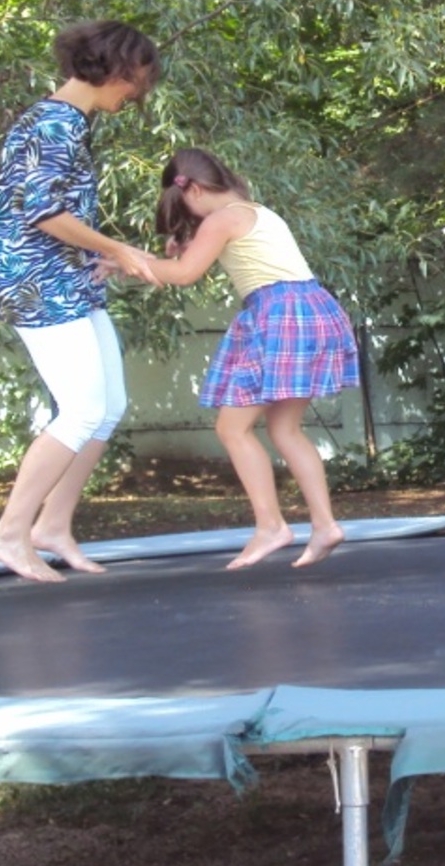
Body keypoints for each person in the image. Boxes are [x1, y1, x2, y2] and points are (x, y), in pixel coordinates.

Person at [0, 20, 164, 583]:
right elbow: (43, 213)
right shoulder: (53, 123)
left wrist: (103, 256)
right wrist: (116, 248)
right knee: (81, 410)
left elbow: (55, 213)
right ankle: (9, 532)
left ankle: (52, 527)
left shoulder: (69, 123)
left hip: (67, 280)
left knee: (107, 408)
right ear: (117, 68)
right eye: (138, 80)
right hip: (35, 282)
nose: (138, 93)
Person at [136, 147, 360, 569]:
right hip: (310, 308)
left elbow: (183, 274)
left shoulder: (223, 219)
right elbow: (188, 257)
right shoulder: (254, 211)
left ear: (194, 190)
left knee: (232, 427)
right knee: (285, 429)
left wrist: (131, 260)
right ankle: (324, 525)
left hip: (280, 314)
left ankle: (271, 526)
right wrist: (173, 249)